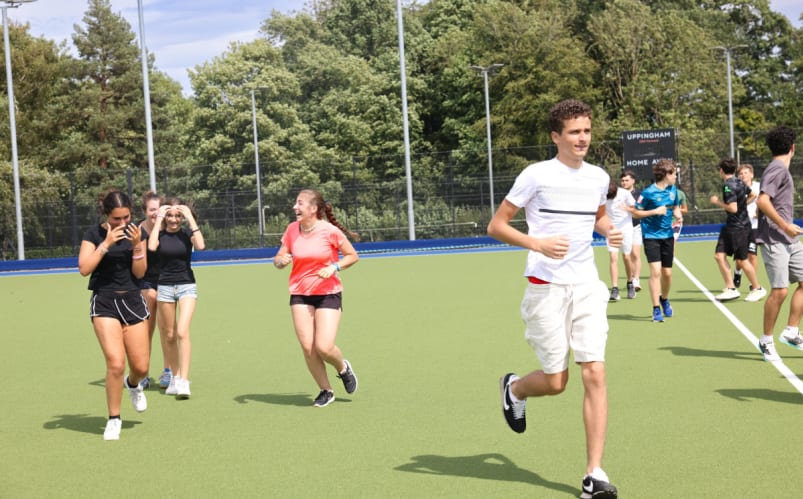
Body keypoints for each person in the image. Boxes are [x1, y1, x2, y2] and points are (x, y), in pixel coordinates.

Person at [487, 99, 620, 499]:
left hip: (586, 285)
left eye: (587, 130)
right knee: (557, 382)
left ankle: (594, 473)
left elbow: (596, 216)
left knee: (594, 372)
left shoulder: (598, 176)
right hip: (545, 286)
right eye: (575, 132)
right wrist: (537, 243)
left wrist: (609, 228)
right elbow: (496, 225)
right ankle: (515, 389)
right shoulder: (536, 175)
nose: (583, 138)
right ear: (555, 136)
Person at [274, 189, 360, 408]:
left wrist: (334, 267)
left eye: (300, 203)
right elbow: (278, 258)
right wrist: (281, 261)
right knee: (308, 347)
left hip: (328, 293)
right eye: (296, 203)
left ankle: (343, 368)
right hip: (300, 293)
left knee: (323, 346)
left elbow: (353, 255)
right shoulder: (292, 230)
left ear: (313, 209)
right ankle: (326, 390)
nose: (295, 207)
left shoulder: (329, 231)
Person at [78, 189, 150, 441]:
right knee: (116, 363)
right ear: (106, 215)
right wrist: (106, 244)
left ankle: (133, 385)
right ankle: (114, 418)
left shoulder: (138, 233)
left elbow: (140, 274)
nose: (122, 223)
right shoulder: (93, 234)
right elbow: (84, 269)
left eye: (126, 217)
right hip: (104, 301)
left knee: (140, 367)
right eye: (116, 219)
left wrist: (136, 245)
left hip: (132, 299)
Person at [148, 198, 205, 398]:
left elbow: (201, 245)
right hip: (164, 287)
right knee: (169, 335)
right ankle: (174, 376)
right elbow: (152, 246)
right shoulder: (160, 234)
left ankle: (183, 380)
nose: (174, 220)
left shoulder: (187, 234)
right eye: (171, 216)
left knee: (182, 331)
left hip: (186, 286)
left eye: (177, 216)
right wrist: (159, 218)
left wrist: (189, 216)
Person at [755, 126, 802, 361]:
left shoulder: (778, 168)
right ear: (792, 148)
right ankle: (766, 340)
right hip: (776, 238)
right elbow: (763, 200)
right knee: (780, 291)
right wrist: (784, 225)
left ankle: (792, 331)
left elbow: (761, 201)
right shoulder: (777, 169)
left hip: (789, 239)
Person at [709, 158, 767, 302]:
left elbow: (733, 208)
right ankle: (730, 288)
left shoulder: (728, 185)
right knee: (719, 255)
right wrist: (743, 205)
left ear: (721, 171)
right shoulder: (740, 182)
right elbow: (752, 194)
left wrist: (718, 202)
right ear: (735, 170)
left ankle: (757, 288)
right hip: (732, 226)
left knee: (742, 260)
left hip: (738, 228)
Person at [633, 159, 682, 323]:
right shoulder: (647, 193)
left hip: (667, 235)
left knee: (667, 273)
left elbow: (675, 206)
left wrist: (677, 213)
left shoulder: (673, 190)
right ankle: (655, 309)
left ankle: (664, 299)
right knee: (655, 272)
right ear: (667, 174)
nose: (676, 176)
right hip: (651, 236)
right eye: (674, 173)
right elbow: (635, 213)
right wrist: (654, 211)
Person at [137, 191, 171, 390]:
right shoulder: (137, 230)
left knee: (167, 331)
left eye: (158, 210)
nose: (155, 213)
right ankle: (143, 373)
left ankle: (168, 371)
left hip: (167, 282)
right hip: (145, 283)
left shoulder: (169, 228)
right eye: (151, 210)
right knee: (145, 331)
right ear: (144, 211)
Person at [605, 179, 636, 300]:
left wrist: (627, 209)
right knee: (613, 257)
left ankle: (630, 283)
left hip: (626, 229)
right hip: (612, 230)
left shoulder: (625, 193)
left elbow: (635, 209)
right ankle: (615, 288)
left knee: (626, 257)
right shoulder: (602, 195)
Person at [735, 163, 761, 288]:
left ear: (752, 175)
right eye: (740, 173)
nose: (743, 175)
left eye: (745, 173)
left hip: (754, 226)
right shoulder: (735, 188)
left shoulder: (759, 187)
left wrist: (759, 211)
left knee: (752, 255)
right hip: (740, 225)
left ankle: (753, 284)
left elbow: (764, 200)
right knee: (740, 257)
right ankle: (737, 272)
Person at [620, 170, 643, 293]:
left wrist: (628, 209)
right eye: (622, 180)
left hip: (635, 227)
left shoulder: (639, 194)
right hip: (622, 227)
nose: (624, 182)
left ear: (633, 181)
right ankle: (630, 277)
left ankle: (636, 280)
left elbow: (639, 210)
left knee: (635, 253)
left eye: (627, 180)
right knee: (626, 255)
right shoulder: (617, 194)